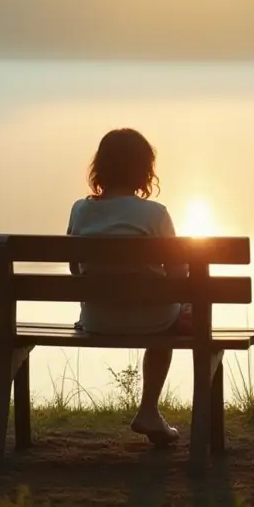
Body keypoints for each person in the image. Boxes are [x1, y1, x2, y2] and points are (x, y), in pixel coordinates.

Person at [67, 127, 189, 446]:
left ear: (100, 167)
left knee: (170, 305)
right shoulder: (155, 213)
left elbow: (74, 269)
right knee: (181, 309)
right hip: (155, 321)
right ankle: (148, 409)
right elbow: (179, 276)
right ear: (144, 170)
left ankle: (150, 411)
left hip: (96, 319)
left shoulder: (80, 210)